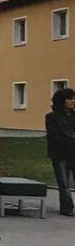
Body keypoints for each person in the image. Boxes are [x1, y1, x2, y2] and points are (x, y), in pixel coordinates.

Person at [45, 87, 75, 216]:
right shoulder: (52, 117)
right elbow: (54, 136)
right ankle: (67, 208)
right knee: (63, 183)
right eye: (70, 99)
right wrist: (70, 138)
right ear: (62, 101)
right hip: (60, 154)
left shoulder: (73, 116)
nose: (73, 101)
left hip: (73, 153)